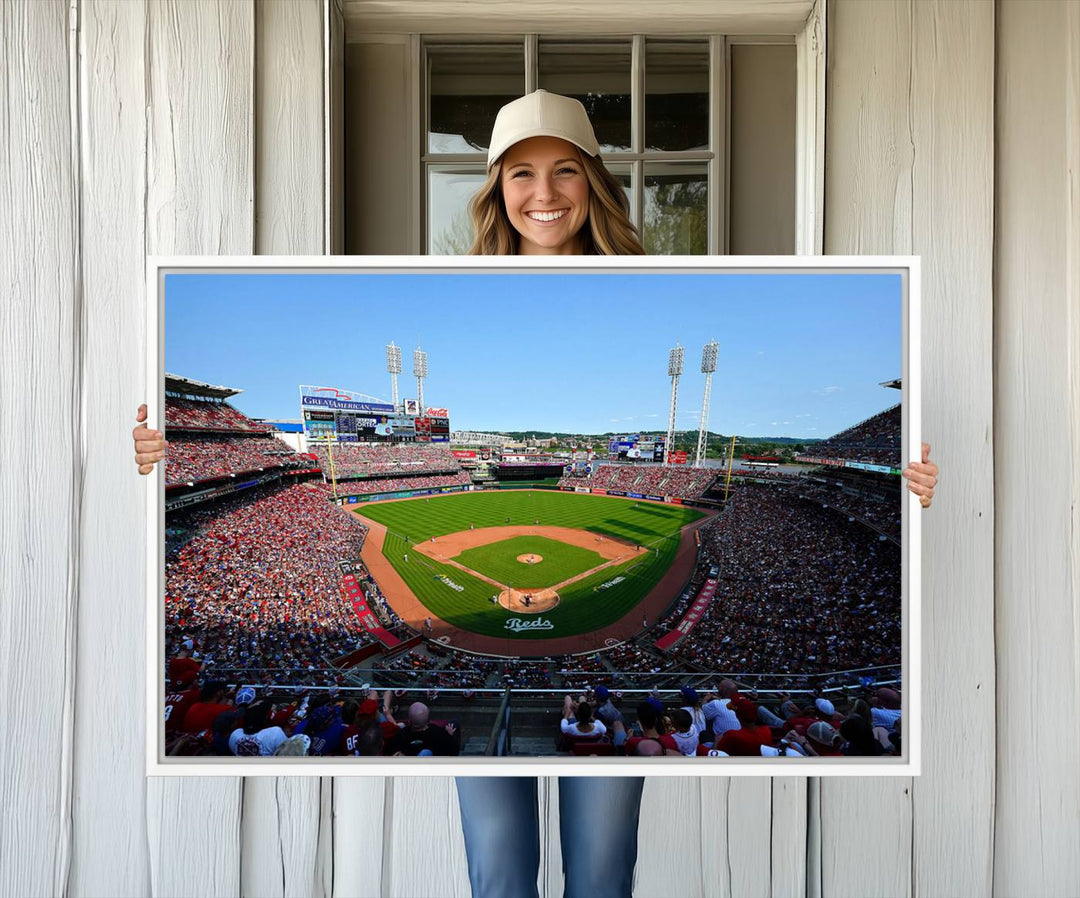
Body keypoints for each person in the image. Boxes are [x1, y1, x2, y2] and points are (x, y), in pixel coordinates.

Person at [132, 89, 939, 898]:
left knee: (599, 869)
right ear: (495, 189)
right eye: (521, 173)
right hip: (604, 696)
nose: (544, 193)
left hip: (614, 697)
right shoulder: (453, 276)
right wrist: (154, 461)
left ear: (594, 181)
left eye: (564, 171)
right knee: (499, 868)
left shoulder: (663, 275)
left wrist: (910, 484)